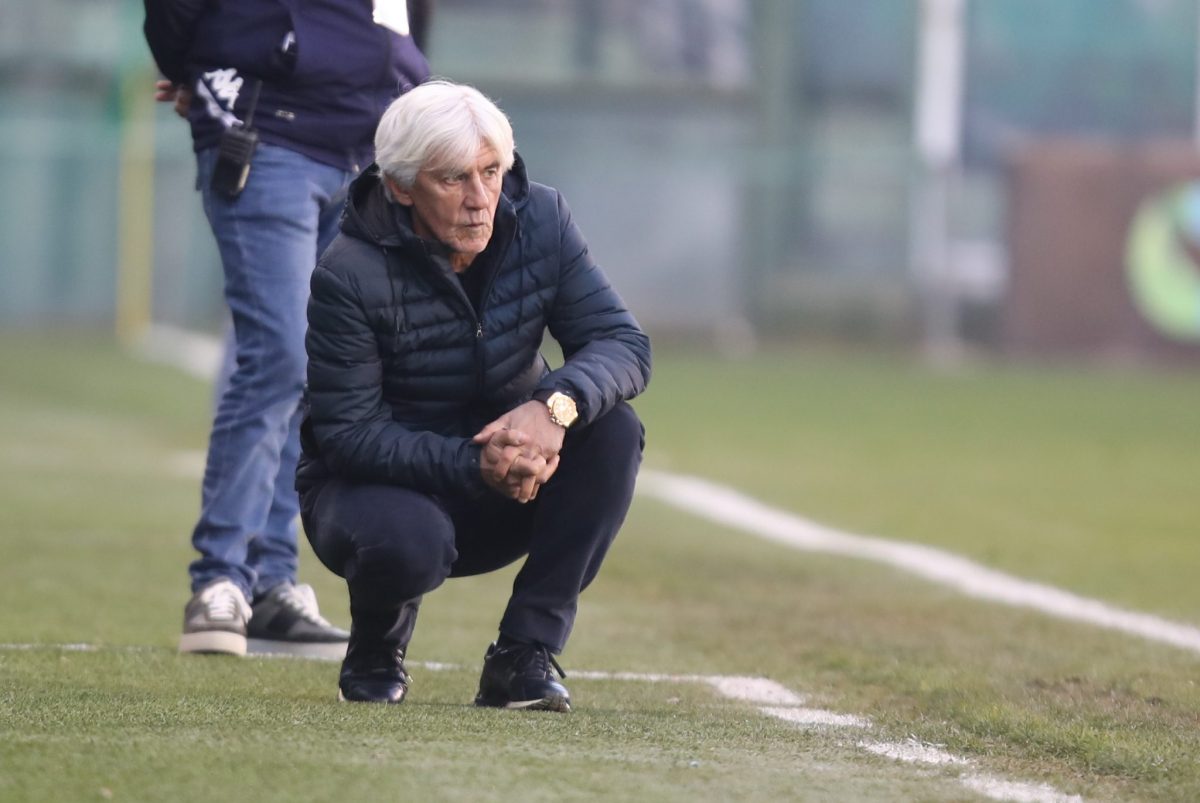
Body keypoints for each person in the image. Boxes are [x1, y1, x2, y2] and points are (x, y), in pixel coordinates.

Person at [297, 80, 651, 710]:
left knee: (615, 430)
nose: (480, 198)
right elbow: (348, 435)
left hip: (508, 481)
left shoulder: (543, 219)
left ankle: (523, 654)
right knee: (409, 540)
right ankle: (376, 646)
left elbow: (621, 342)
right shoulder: (346, 271)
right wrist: (472, 462)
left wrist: (552, 408)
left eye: (491, 172)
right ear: (401, 187)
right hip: (376, 495)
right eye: (453, 179)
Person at [142, 0, 430, 656]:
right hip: (270, 130)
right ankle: (219, 577)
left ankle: (272, 581)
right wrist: (202, 72)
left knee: (319, 364)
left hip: (368, 150)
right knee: (278, 357)